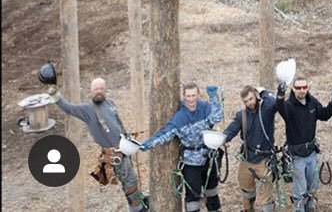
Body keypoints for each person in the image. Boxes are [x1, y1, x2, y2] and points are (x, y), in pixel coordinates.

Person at [47, 77, 146, 212]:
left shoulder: (110, 103)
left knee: (130, 180)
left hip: (123, 148)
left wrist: (127, 139)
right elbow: (68, 108)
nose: (98, 91)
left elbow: (118, 123)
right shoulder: (87, 110)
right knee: (130, 181)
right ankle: (137, 209)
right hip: (113, 154)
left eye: (101, 88)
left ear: (105, 90)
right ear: (91, 91)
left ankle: (136, 206)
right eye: (96, 89)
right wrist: (56, 95)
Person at [141, 82, 224, 212]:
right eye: (188, 96)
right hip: (191, 162)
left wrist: (214, 97)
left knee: (212, 189)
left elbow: (217, 117)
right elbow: (165, 134)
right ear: (184, 96)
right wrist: (146, 144)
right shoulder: (179, 117)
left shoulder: (205, 107)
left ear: (198, 95)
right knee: (193, 196)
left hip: (209, 156)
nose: (191, 99)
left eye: (193, 95)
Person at [276, 76, 332, 212]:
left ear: (307, 88)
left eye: (304, 87)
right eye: (298, 88)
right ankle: (299, 208)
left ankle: (310, 204)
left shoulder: (312, 102)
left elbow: (324, 115)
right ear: (293, 89)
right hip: (296, 155)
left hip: (311, 152)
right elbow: (280, 108)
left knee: (312, 184)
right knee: (300, 188)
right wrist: (280, 94)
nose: (302, 90)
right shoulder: (289, 106)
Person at [223, 85, 278, 212]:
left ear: (256, 96)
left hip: (264, 159)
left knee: (267, 196)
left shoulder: (266, 110)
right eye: (246, 101)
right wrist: (222, 138)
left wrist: (264, 92)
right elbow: (231, 130)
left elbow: (275, 102)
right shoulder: (241, 115)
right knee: (246, 190)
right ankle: (249, 209)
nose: (249, 103)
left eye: (251, 99)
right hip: (247, 158)